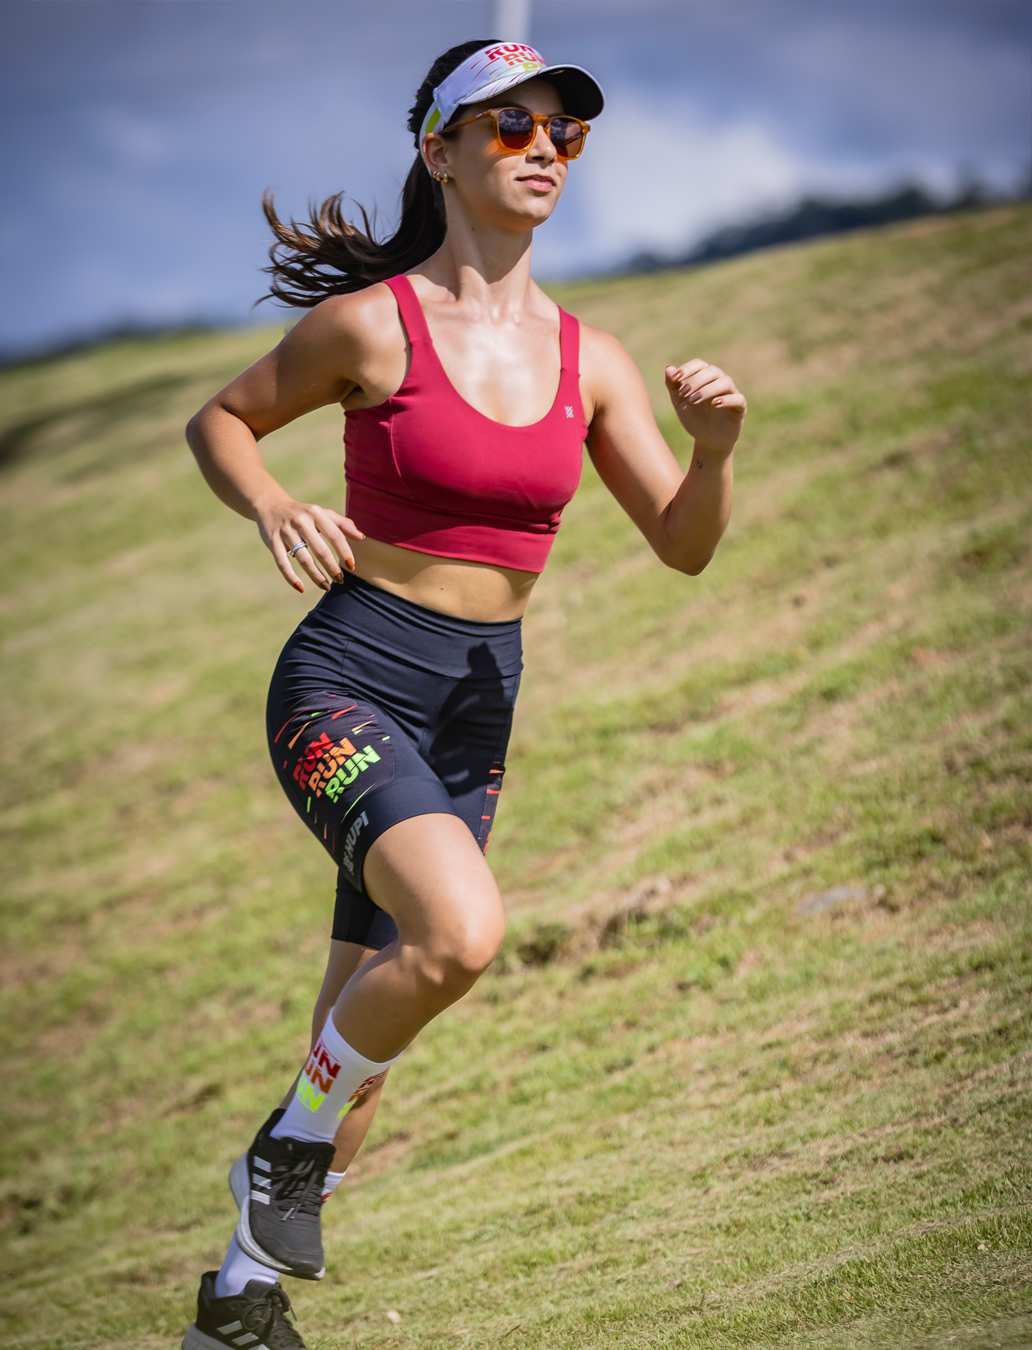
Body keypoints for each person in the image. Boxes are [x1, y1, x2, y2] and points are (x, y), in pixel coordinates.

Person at [180, 37, 747, 1350]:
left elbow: (685, 539)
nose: (545, 147)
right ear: (439, 150)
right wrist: (270, 501)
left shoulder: (591, 358)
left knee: (360, 1060)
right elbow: (220, 419)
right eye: (512, 127)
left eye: (567, 133)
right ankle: (276, 1166)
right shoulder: (369, 324)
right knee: (462, 933)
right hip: (349, 676)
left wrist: (714, 453)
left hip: (476, 706)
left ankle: (233, 1300)